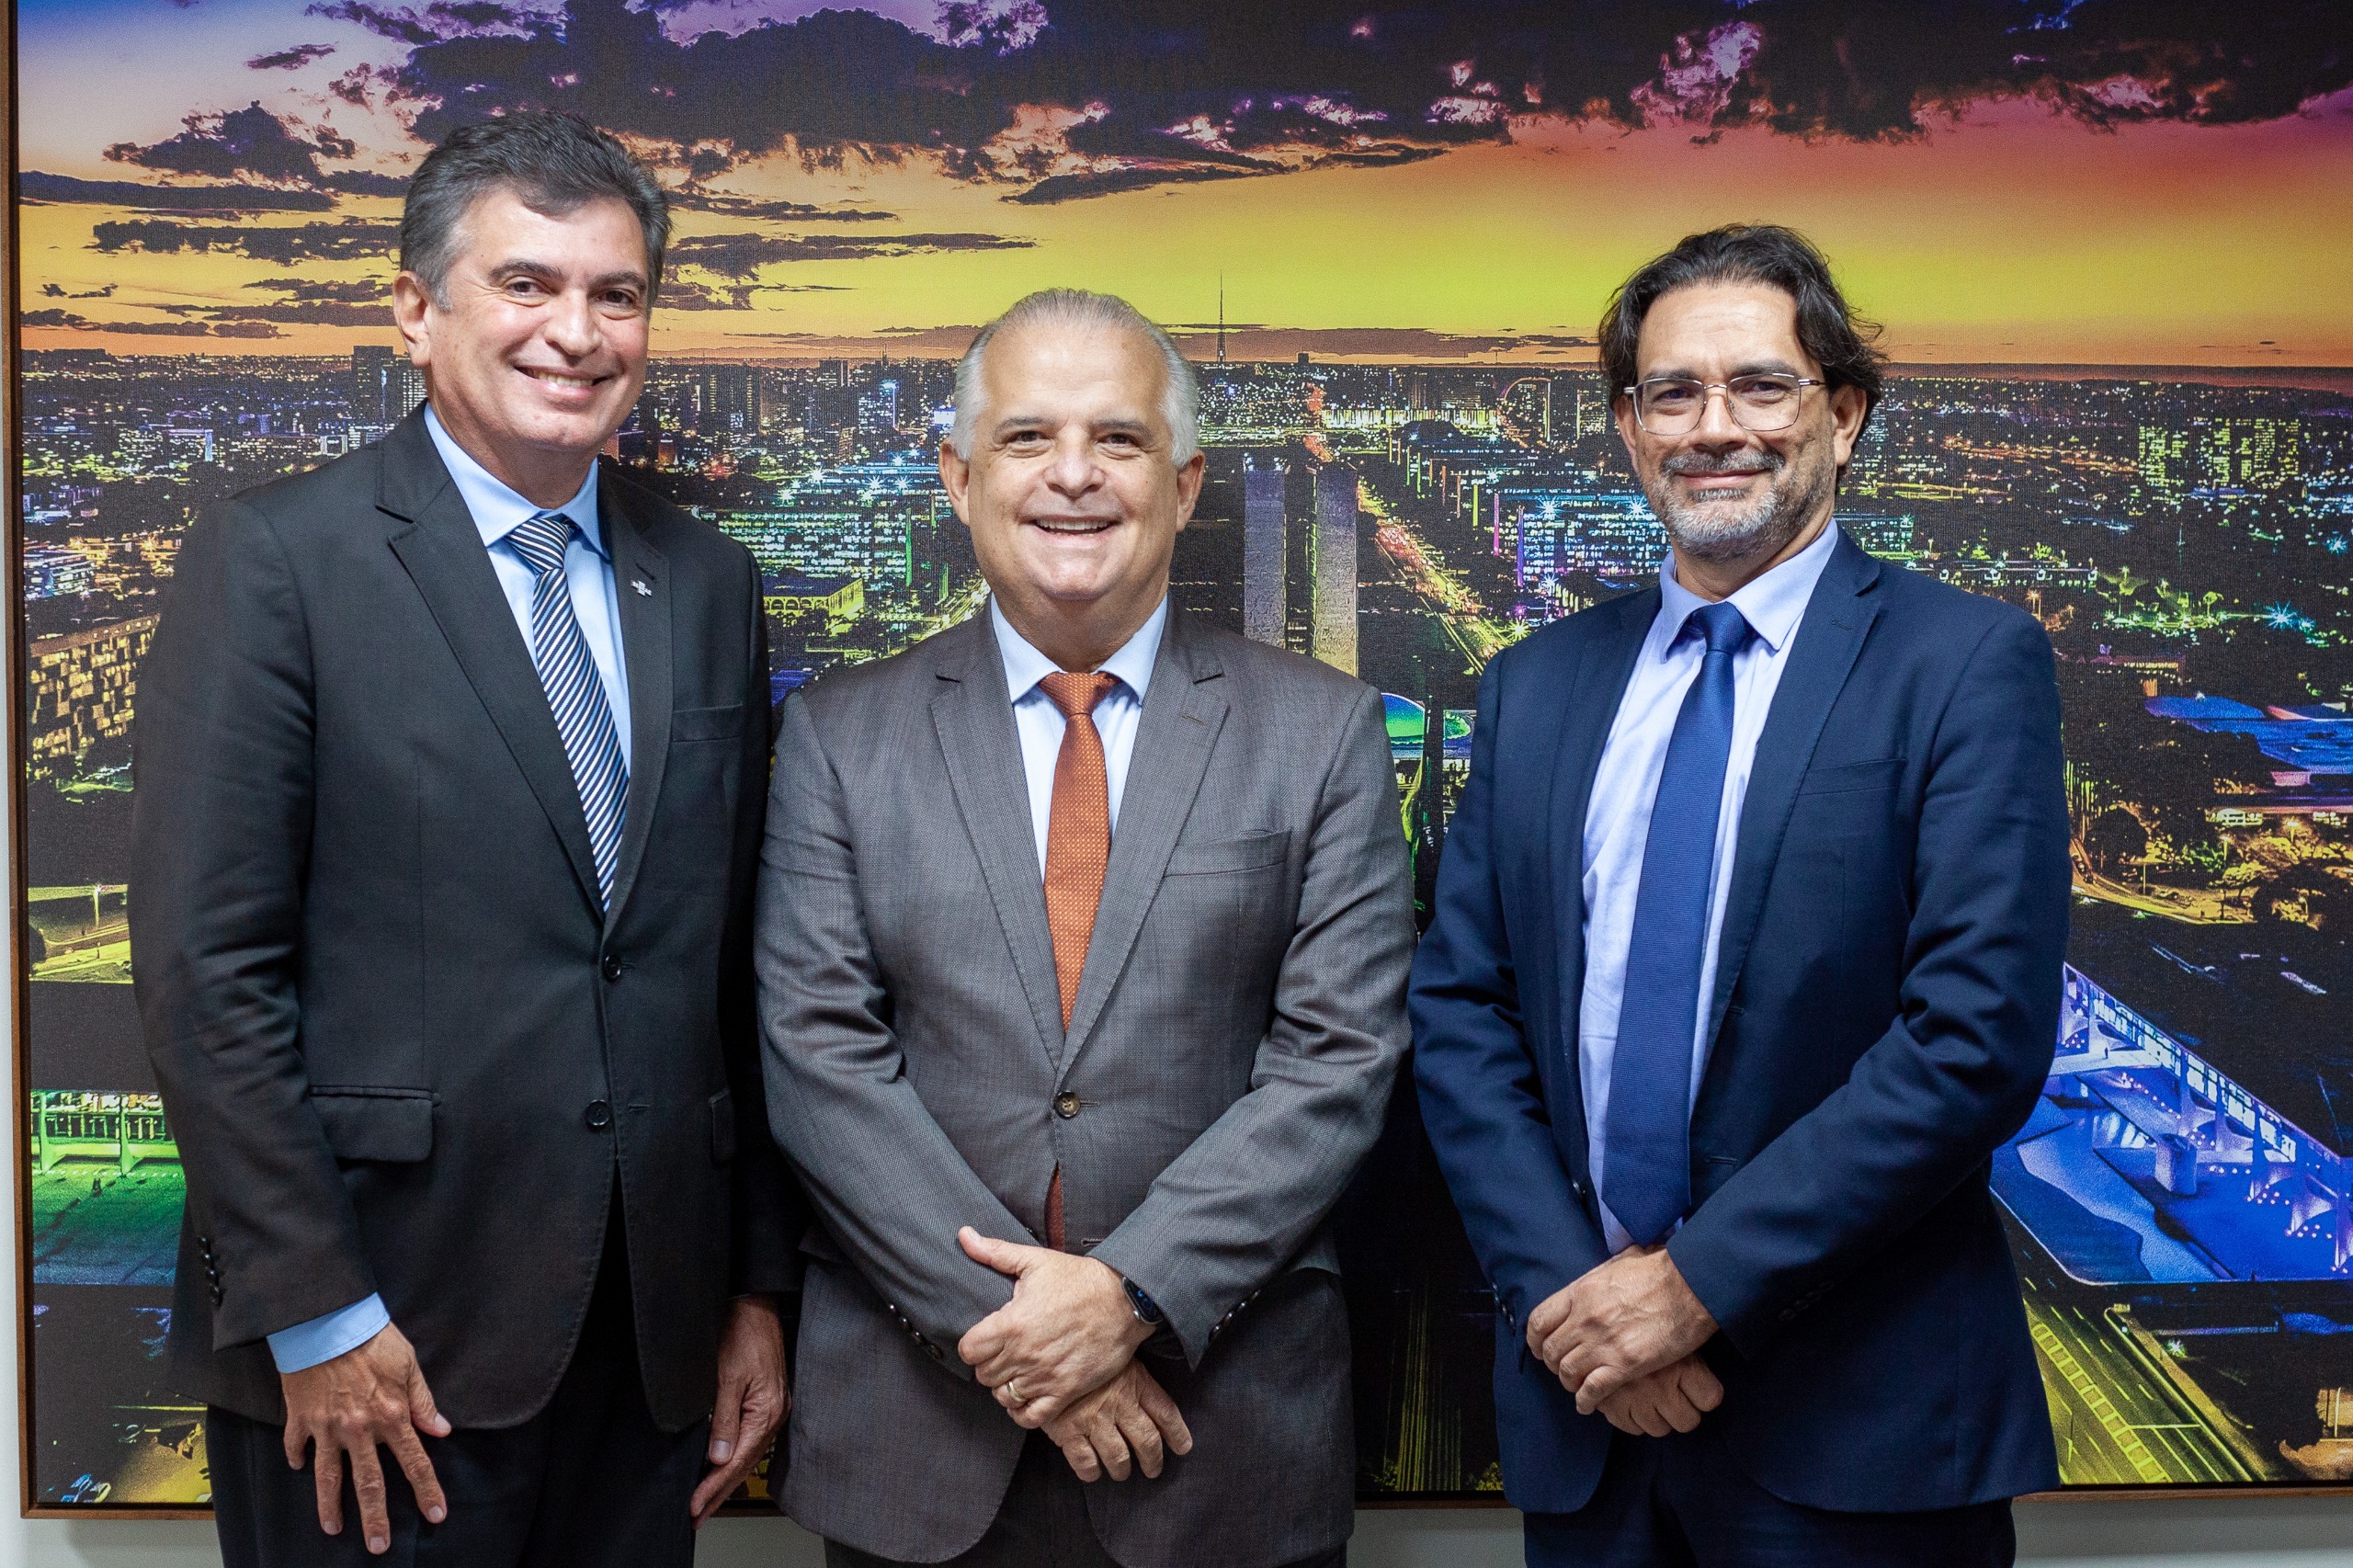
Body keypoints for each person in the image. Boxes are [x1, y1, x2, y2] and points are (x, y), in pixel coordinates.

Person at [131, 110, 801, 1568]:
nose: (578, 332)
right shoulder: (277, 561)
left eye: (616, 294)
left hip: (650, 1349)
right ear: (414, 309)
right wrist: (318, 1312)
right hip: (378, 1350)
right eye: (526, 284)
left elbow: (729, 969)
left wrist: (754, 1286)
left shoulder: (707, 580)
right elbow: (204, 973)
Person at [1412, 224, 2068, 1567]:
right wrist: (1578, 1306)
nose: (1715, 427)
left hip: (1861, 1433)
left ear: (1845, 413)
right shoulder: (1535, 684)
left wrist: (1692, 1290)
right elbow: (1463, 1013)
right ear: (1628, 428)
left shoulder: (1965, 664)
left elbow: (1975, 1040)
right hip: (1589, 1420)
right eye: (1673, 393)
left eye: (1761, 386)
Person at [755, 289, 1413, 1568]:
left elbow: (1337, 1064)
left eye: (1119, 438)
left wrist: (1130, 1295)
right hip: (920, 1437)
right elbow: (818, 1058)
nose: (1073, 475)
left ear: (1186, 483)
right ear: (958, 477)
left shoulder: (1323, 732)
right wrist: (1029, 1338)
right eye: (1026, 437)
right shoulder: (839, 735)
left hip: (1223, 1434)